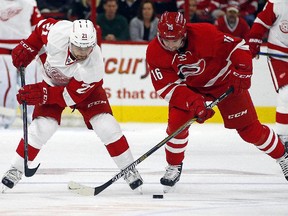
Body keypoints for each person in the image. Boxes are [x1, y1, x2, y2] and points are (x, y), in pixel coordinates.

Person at [146, 12, 288, 193]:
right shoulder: (155, 52)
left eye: (176, 40)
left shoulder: (205, 34)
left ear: (184, 33)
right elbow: (167, 88)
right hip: (192, 90)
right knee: (176, 127)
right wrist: (193, 102)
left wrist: (243, 69)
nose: (171, 45)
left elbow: (238, 47)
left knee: (250, 131)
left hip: (225, 83)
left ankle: (283, 156)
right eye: (167, 40)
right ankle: (174, 166)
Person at [1, 19, 143, 192]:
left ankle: (129, 168)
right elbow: (39, 29)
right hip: (51, 83)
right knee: (43, 127)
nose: (83, 53)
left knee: (106, 125)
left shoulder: (94, 66)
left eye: (87, 48)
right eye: (78, 48)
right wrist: (29, 46)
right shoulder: (57, 33)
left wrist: (42, 93)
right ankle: (16, 168)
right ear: (70, 41)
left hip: (85, 93)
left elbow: (69, 97)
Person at [246, 0, 288, 146]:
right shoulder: (277, 2)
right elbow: (260, 23)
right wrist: (254, 43)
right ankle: (284, 138)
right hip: (280, 55)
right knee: (286, 94)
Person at [0, 0, 43, 129]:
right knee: (6, 84)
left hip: (26, 47)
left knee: (33, 81)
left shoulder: (29, 2)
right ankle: (4, 118)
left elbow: (37, 26)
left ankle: (32, 115)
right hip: (2, 48)